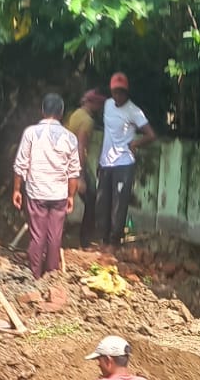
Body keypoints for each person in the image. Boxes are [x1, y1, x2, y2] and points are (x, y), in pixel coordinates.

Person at [12, 93, 81, 279]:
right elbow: (74, 172)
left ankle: (35, 276)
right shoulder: (70, 138)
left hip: (36, 193)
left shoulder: (30, 133)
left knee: (37, 236)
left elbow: (20, 164)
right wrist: (71, 196)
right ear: (61, 113)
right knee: (55, 236)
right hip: (59, 195)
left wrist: (17, 190)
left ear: (42, 111)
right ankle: (51, 276)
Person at [97, 72, 155, 246]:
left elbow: (151, 135)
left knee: (119, 205)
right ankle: (104, 240)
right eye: (115, 91)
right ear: (111, 91)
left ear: (126, 92)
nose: (118, 95)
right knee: (103, 203)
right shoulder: (107, 104)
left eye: (121, 92)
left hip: (124, 163)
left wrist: (135, 143)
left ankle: (115, 242)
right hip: (106, 162)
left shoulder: (133, 111)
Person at [66, 88, 105, 248]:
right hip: (76, 163)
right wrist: (80, 176)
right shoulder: (87, 121)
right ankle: (86, 241)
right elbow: (81, 147)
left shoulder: (75, 114)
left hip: (65, 161)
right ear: (93, 104)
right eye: (99, 104)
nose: (100, 108)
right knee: (92, 200)